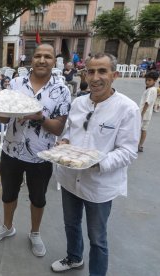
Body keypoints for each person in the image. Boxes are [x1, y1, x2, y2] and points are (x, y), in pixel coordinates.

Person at [51, 53, 141, 276]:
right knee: (70, 225)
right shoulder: (79, 103)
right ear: (85, 74)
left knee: (97, 238)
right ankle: (74, 257)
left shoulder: (127, 109)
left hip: (100, 186)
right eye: (91, 71)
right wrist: (64, 141)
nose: (96, 77)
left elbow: (128, 152)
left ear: (114, 75)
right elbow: (71, 130)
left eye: (102, 71)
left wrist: (95, 163)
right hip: (71, 178)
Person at [0, 44, 71, 258]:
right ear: (31, 59)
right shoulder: (15, 83)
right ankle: (7, 227)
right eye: (38, 56)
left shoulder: (61, 90)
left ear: (54, 61)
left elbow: (59, 128)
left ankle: (35, 233)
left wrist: (39, 117)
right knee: (8, 194)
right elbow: (5, 117)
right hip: (11, 151)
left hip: (41, 155)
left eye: (47, 57)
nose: (42, 60)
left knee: (38, 198)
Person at [137, 71, 159, 152]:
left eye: (149, 80)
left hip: (144, 114)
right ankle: (140, 145)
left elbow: (147, 103)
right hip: (147, 114)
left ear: (155, 81)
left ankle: (138, 145)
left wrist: (141, 114)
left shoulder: (151, 90)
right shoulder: (152, 89)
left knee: (140, 129)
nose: (147, 82)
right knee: (143, 129)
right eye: (146, 80)